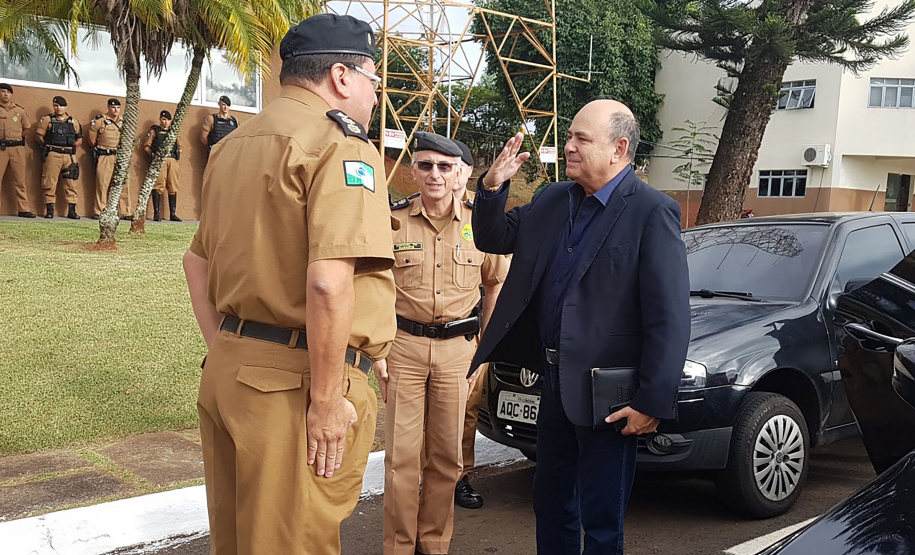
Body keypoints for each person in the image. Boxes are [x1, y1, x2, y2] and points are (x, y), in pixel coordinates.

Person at [183, 13, 395, 555]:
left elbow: (196, 262)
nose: (375, 96)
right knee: (290, 543)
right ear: (342, 77)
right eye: (374, 80)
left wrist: (230, 347)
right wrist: (325, 401)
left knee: (238, 541)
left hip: (231, 369)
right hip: (297, 385)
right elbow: (328, 283)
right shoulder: (341, 145)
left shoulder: (233, 145)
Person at [469, 99, 691, 554]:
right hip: (552, 383)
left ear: (619, 148)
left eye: (581, 139)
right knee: (550, 502)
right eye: (569, 136)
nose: (568, 146)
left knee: (602, 518)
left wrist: (652, 400)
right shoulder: (553, 200)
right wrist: (492, 186)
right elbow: (494, 238)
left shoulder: (651, 211)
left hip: (609, 397)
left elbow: (669, 316)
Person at [378, 131, 508, 555]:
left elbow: (495, 287)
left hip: (458, 352)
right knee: (401, 460)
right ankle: (399, 547)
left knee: (447, 460)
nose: (435, 174)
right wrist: (378, 351)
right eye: (426, 165)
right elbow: (375, 288)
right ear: (413, 171)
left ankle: (433, 545)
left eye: (445, 166)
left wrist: (483, 354)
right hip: (403, 347)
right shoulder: (391, 220)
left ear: (460, 174)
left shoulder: (479, 223)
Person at [451, 137, 486, 509]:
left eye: (455, 166)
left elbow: (497, 282)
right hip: (419, 337)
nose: (448, 174)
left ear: (467, 171)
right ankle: (420, 479)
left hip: (469, 334)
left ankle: (461, 478)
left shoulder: (482, 215)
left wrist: (486, 344)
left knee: (466, 412)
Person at [35, 96, 82, 219]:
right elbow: (39, 136)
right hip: (53, 153)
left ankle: (72, 211)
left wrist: (73, 146)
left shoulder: (74, 122)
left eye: (61, 106)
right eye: (55, 105)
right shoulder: (47, 119)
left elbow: (79, 138)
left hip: (69, 155)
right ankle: (50, 210)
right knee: (49, 182)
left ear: (65, 107)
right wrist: (46, 146)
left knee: (71, 183)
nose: (58, 108)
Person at [88, 98, 130, 220]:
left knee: (123, 184)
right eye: (113, 107)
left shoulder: (124, 121)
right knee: (102, 184)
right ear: (108, 107)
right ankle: (99, 210)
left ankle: (125, 211)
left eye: (117, 107)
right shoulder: (100, 120)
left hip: (120, 156)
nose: (115, 110)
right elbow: (91, 140)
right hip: (105, 155)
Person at [0, 83, 34, 218]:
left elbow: (27, 129)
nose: (5, 94)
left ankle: (24, 209)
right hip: (1, 148)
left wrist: (16, 139)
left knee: (20, 179)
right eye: (2, 91)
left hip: (17, 148)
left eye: (8, 92)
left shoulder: (19, 111)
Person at [144, 110, 182, 222]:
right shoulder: (154, 130)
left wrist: (178, 154)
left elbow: (180, 146)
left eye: (168, 120)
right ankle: (156, 213)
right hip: (160, 160)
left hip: (172, 159)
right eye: (164, 119)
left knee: (173, 186)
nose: (166, 122)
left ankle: (173, 213)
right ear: (160, 119)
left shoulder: (174, 131)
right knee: (158, 185)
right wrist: (153, 156)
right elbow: (147, 146)